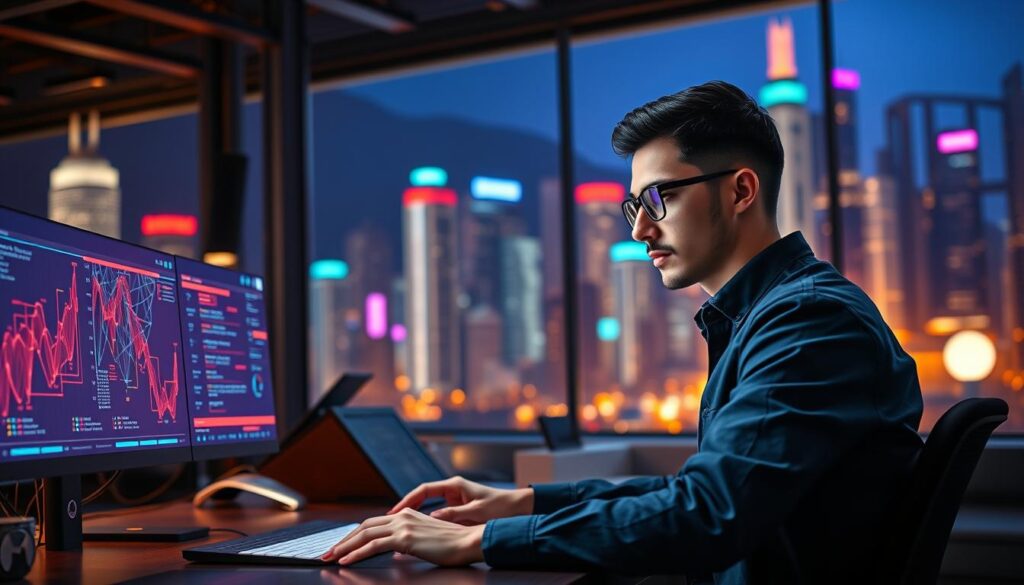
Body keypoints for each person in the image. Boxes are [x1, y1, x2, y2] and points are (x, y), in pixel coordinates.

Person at [322, 80, 924, 584]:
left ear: (742, 189)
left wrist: (481, 541)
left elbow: (707, 514)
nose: (640, 231)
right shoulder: (771, 315)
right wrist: (524, 503)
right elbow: (704, 488)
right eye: (633, 205)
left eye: (659, 198)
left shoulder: (808, 324)